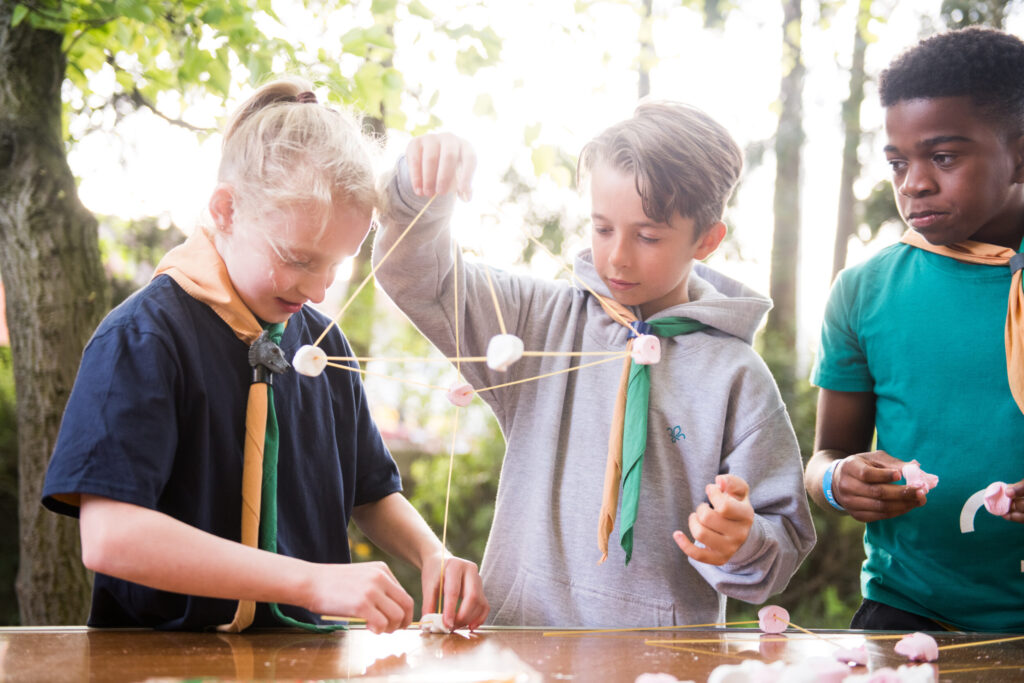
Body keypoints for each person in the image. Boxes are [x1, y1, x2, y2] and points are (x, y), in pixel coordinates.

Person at [41, 77, 488, 634]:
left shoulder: (321, 340)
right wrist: (310, 580)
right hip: (163, 664)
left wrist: (431, 555)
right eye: (299, 259)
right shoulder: (143, 338)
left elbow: (371, 491)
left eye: (336, 264)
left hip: (310, 663)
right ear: (225, 210)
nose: (320, 289)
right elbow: (112, 538)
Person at [373, 102, 815, 627]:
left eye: (647, 236)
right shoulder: (537, 320)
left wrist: (742, 540)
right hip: (516, 646)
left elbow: (779, 544)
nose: (617, 257)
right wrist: (415, 185)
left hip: (661, 667)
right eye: (602, 228)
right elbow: (417, 276)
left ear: (708, 240)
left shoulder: (737, 376)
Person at [806, 26, 1024, 632]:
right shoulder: (864, 290)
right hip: (908, 611)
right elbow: (827, 455)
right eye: (899, 163)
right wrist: (836, 480)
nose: (913, 183)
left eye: (944, 157)